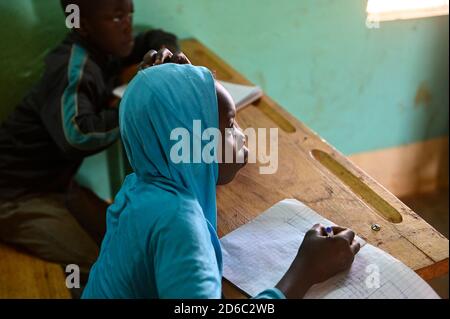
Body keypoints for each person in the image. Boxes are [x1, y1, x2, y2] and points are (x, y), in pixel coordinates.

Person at [82, 51, 361, 299]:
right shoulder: (180, 224)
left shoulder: (139, 187)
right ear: (191, 143)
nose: (241, 134)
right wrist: (305, 272)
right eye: (229, 124)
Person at [0, 0, 180, 297]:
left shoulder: (106, 48)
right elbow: (77, 137)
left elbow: (154, 37)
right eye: (117, 16)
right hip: (16, 196)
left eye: (130, 13)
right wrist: (134, 107)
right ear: (82, 24)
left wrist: (165, 53)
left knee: (122, 236)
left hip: (58, 186)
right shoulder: (72, 67)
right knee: (96, 262)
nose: (128, 26)